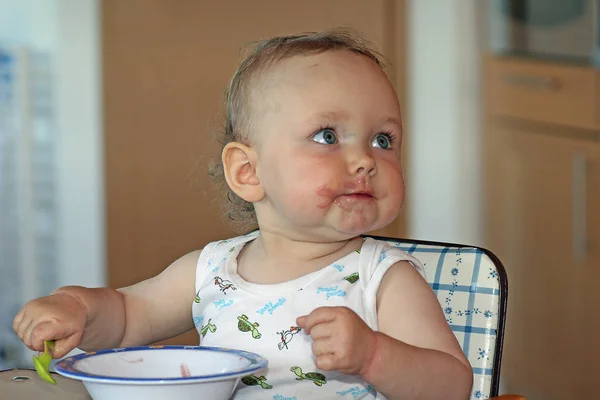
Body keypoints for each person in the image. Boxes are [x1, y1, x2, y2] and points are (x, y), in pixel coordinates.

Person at [13, 29, 473, 399]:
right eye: (328, 136)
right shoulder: (212, 270)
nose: (366, 159)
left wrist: (375, 356)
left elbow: (452, 385)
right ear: (249, 171)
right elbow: (130, 316)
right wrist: (76, 307)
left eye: (383, 140)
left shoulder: (383, 278)